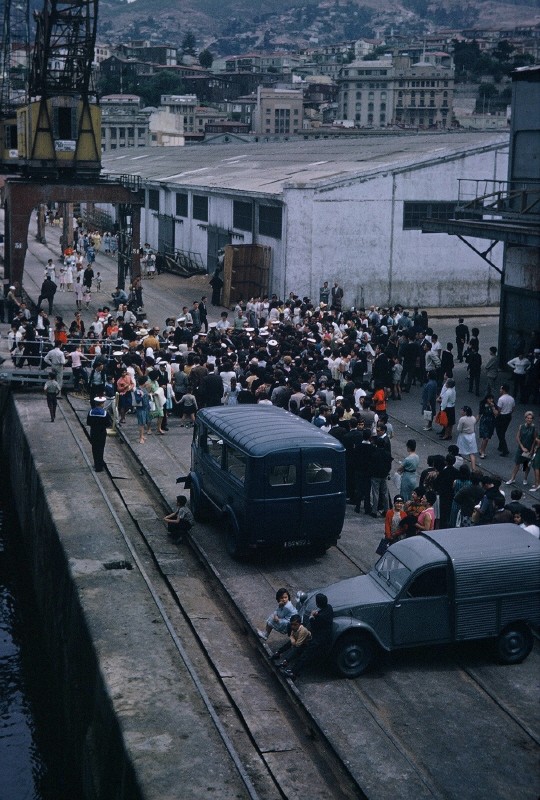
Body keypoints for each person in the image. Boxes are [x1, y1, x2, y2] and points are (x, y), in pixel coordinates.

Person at [280, 593, 334, 681]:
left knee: (305, 655)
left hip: (319, 639)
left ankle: (293, 673)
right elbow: (322, 615)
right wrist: (317, 614)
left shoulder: (321, 617)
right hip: (325, 637)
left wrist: (312, 616)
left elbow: (314, 623)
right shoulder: (329, 608)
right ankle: (294, 671)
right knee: (306, 654)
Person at [504, 411, 536, 487]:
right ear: (525, 418)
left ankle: (525, 478)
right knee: (517, 464)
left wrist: (531, 449)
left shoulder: (533, 428)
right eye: (528, 418)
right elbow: (518, 437)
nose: (529, 420)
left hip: (529, 448)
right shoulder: (521, 426)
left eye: (530, 418)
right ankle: (512, 478)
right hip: (521, 448)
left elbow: (534, 439)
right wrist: (522, 447)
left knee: (527, 465)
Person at [86, 396, 112, 472]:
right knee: (101, 449)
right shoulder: (104, 413)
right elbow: (108, 424)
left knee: (94, 448)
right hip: (101, 433)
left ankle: (96, 463)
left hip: (93, 432)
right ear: (102, 404)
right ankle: (99, 466)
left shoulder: (91, 412)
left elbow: (88, 423)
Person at [456, 405, 479, 471]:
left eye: (462, 411)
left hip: (463, 436)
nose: (461, 412)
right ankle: (473, 468)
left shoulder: (462, 419)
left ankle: (458, 466)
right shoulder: (473, 418)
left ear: (465, 412)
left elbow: (459, 429)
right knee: (471, 453)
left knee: (459, 451)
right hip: (471, 436)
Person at [495, 384, 515, 457]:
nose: (500, 390)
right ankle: (500, 446)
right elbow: (513, 408)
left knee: (499, 432)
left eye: (500, 389)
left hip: (502, 416)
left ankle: (505, 449)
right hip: (508, 416)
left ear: (503, 390)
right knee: (503, 431)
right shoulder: (511, 398)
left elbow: (499, 410)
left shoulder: (501, 399)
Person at [478, 393, 497, 459]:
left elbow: (496, 414)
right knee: (485, 437)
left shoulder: (493, 405)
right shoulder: (483, 405)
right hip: (484, 421)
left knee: (487, 437)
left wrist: (493, 407)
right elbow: (479, 414)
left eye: (492, 399)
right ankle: (482, 451)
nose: (491, 400)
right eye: (489, 398)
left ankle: (481, 449)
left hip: (491, 422)